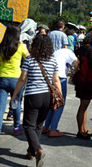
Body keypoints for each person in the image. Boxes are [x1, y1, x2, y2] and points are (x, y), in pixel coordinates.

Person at [12, 34, 61, 165]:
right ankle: (31, 151)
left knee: (28, 125)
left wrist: (15, 94)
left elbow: (23, 78)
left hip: (33, 96)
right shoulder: (53, 60)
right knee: (39, 125)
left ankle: (38, 149)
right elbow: (56, 80)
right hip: (47, 96)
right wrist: (59, 96)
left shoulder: (29, 60)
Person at [0, 24, 29, 147]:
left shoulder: (0, 47)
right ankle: (16, 127)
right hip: (16, 80)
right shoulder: (21, 46)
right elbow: (29, 60)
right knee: (16, 104)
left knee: (0, 109)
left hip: (2, 79)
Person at [42, 48, 78, 137]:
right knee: (59, 103)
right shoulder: (70, 53)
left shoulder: (57, 52)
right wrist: (75, 72)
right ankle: (53, 130)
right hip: (60, 78)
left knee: (52, 102)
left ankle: (46, 126)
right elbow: (77, 63)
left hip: (51, 76)